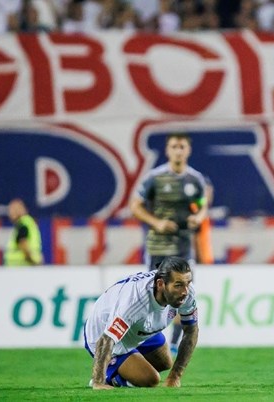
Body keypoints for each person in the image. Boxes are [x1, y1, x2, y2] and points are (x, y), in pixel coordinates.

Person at [130, 132, 208, 354]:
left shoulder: (195, 179)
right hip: (158, 247)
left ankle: (173, 343)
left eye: (182, 146)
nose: (178, 150)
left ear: (188, 150)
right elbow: (135, 205)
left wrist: (198, 217)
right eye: (174, 146)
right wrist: (157, 223)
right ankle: (151, 341)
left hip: (183, 247)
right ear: (167, 150)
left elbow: (202, 205)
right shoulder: (155, 178)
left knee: (182, 295)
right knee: (155, 297)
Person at [82, 256, 199, 389]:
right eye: (178, 285)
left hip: (138, 327)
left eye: (188, 283)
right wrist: (99, 382)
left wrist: (175, 376)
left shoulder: (187, 292)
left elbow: (191, 331)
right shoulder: (135, 302)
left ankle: (123, 373)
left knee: (165, 362)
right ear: (161, 284)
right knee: (151, 379)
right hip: (103, 332)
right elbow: (106, 339)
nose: (185, 291)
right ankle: (110, 377)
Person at [4, 198, 43, 266]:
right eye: (10, 209)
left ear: (22, 210)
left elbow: (23, 243)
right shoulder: (27, 223)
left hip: (22, 268)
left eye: (14, 209)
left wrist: (32, 261)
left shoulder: (23, 224)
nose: (11, 212)